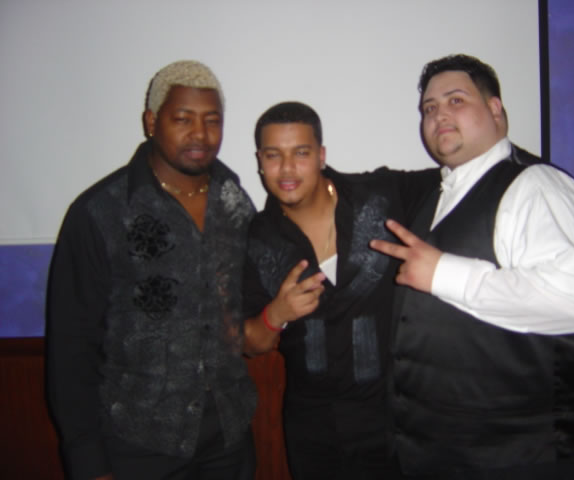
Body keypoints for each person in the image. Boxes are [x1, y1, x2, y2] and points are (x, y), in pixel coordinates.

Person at [370, 54, 574, 480]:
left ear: (496, 109)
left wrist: (443, 273)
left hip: (522, 457)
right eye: (429, 108)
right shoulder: (439, 193)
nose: (439, 115)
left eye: (456, 100)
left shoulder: (539, 186)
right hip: (444, 452)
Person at [46, 60, 257, 480]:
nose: (200, 134)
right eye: (183, 119)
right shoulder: (101, 212)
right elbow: (71, 347)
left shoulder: (236, 203)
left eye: (212, 120)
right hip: (137, 442)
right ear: (151, 122)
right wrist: (88, 461)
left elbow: (246, 306)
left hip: (228, 436)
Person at [242, 102, 439, 480]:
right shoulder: (257, 238)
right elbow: (251, 343)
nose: (287, 169)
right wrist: (276, 314)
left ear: (321, 155)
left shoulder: (380, 196)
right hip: (314, 431)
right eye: (273, 155)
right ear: (260, 161)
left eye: (300, 153)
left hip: (393, 421)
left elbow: (456, 177)